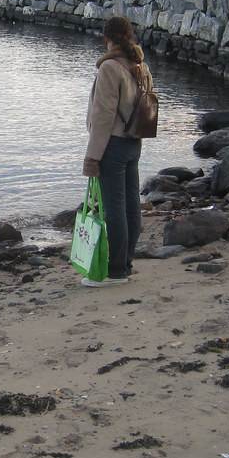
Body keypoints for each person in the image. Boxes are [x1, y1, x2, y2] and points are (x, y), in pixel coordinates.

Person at [81, 16, 155, 287]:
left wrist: (92, 157)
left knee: (114, 210)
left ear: (106, 38)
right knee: (131, 207)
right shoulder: (141, 66)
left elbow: (103, 117)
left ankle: (115, 272)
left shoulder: (109, 68)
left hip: (111, 145)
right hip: (134, 143)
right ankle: (126, 264)